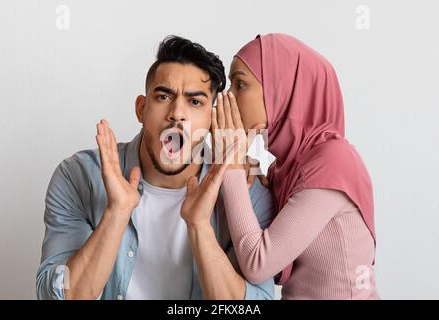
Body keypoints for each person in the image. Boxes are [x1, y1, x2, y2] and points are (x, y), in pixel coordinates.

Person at [36, 35, 276, 300]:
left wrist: (200, 227)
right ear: (142, 109)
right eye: (164, 96)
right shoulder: (78, 177)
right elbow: (55, 297)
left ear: (212, 119)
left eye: (195, 102)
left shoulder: (246, 191)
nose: (177, 113)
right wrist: (116, 212)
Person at [209, 33, 379, 299]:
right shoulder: (287, 168)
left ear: (282, 89)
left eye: (240, 84)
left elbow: (257, 264)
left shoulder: (333, 162)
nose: (227, 98)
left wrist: (230, 166)